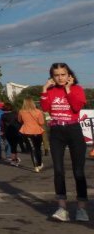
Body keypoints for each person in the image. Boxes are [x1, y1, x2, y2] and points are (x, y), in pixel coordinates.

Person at [40, 63, 89, 222]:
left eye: (63, 74)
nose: (60, 78)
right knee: (59, 170)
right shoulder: (51, 91)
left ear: (69, 75)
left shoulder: (77, 89)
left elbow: (76, 107)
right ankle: (62, 208)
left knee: (78, 171)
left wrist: (68, 90)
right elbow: (46, 108)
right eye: (56, 75)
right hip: (56, 131)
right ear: (52, 77)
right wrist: (44, 90)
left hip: (73, 130)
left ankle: (81, 209)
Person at [18, 98, 45, 172]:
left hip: (26, 131)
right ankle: (39, 164)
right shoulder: (38, 111)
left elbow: (19, 120)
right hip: (37, 131)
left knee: (32, 149)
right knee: (38, 148)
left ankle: (35, 166)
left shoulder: (21, 111)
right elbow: (41, 122)